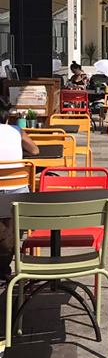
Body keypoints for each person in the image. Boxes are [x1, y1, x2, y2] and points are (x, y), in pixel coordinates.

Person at [0, 97, 39, 280]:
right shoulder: (16, 130)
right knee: (10, 228)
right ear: (7, 117)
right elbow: (35, 151)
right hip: (17, 195)